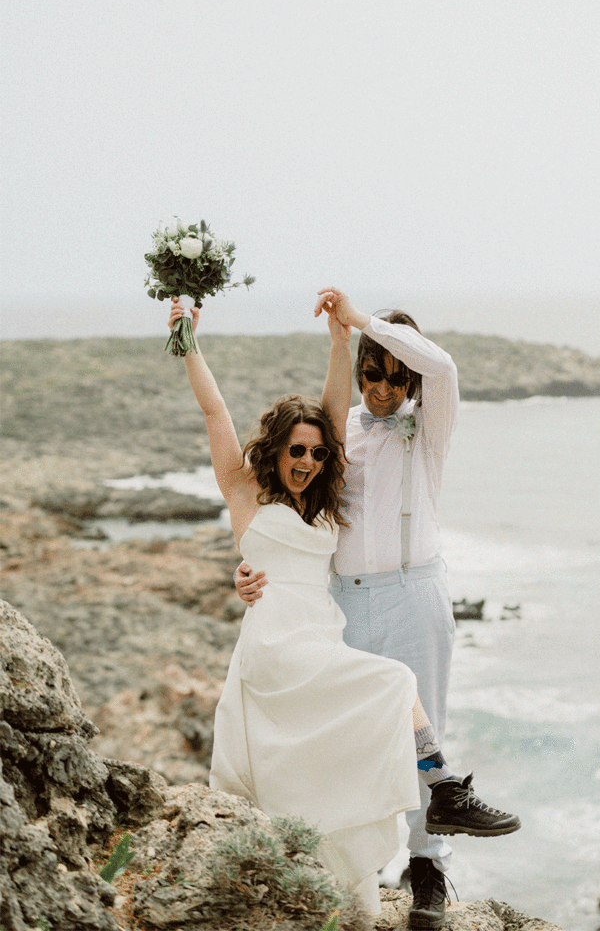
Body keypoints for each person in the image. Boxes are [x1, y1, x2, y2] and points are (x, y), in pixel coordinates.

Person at [166, 295, 481, 918]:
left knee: (382, 714)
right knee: (377, 704)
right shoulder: (250, 486)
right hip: (293, 636)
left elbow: (351, 402)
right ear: (277, 449)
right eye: (298, 451)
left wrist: (345, 337)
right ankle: (437, 787)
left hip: (350, 619)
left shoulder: (342, 480)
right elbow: (215, 411)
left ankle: (420, 859)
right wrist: (188, 344)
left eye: (316, 453)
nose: (309, 459)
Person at [236, 288, 520, 930]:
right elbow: (286, 507)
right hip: (338, 604)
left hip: (413, 594)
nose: (383, 390)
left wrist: (368, 322)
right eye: (372, 375)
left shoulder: (431, 421)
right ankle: (347, 864)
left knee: (428, 732)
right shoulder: (338, 432)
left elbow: (442, 367)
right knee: (351, 736)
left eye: (395, 377)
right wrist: (251, 570)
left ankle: (429, 873)